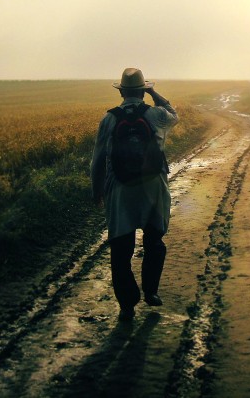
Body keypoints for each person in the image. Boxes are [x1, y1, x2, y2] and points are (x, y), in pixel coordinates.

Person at [90, 68, 179, 321]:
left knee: (120, 249)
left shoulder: (109, 119)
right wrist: (155, 93)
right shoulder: (156, 115)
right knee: (154, 242)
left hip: (120, 189)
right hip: (153, 188)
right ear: (142, 90)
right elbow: (175, 115)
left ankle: (127, 304)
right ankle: (151, 291)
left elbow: (97, 159)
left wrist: (97, 190)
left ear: (121, 92)